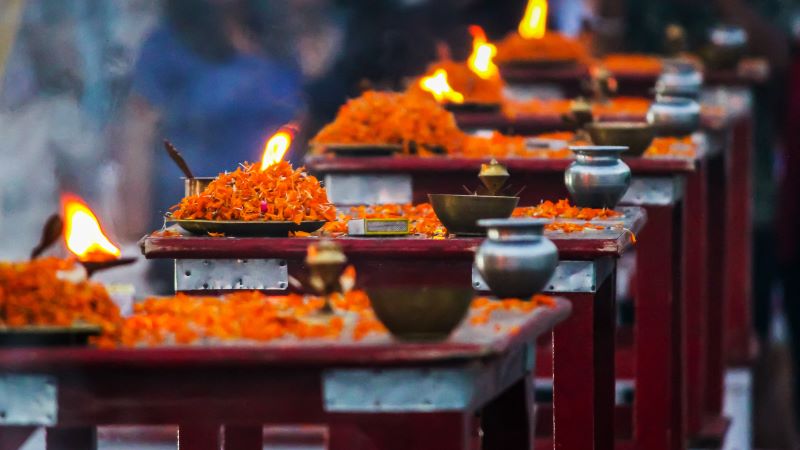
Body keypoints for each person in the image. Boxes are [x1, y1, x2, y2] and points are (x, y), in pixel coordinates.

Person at [118, 0, 304, 243]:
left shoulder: (275, 41)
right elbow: (138, 131)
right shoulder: (169, 45)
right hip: (196, 223)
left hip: (275, 221)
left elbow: (302, 117)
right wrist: (134, 226)